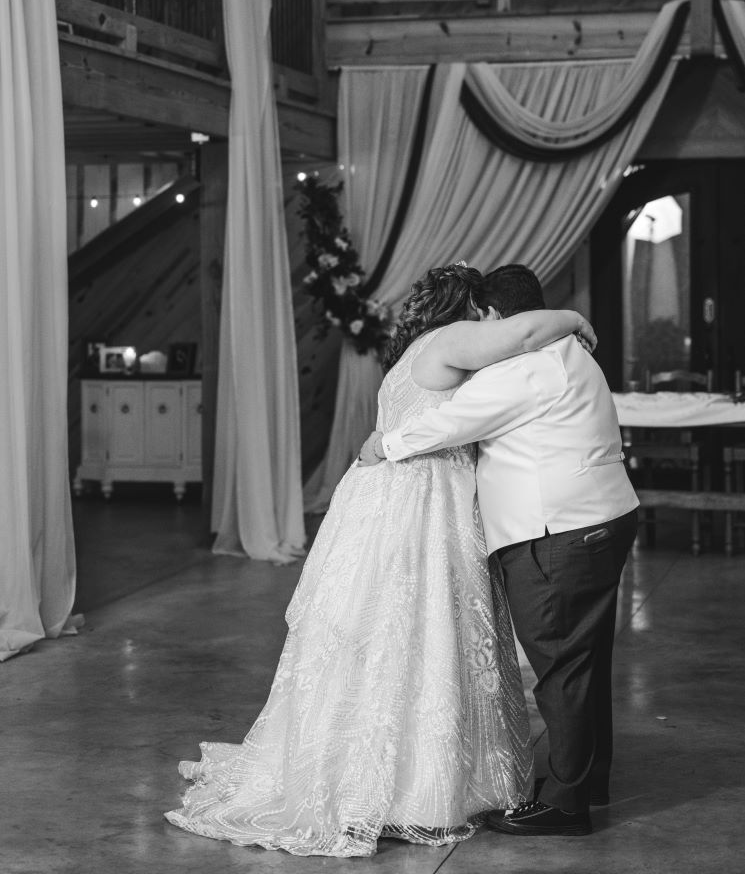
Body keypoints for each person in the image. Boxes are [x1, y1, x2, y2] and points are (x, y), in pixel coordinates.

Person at [165, 263, 597, 857]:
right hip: (422, 497)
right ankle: (412, 785)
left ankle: (369, 761)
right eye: (480, 309)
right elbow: (523, 336)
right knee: (421, 625)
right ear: (468, 307)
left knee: (382, 629)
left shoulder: (412, 353)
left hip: (381, 497)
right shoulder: (450, 340)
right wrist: (574, 317)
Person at [362, 264, 639, 839]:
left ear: (490, 316)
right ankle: (586, 778)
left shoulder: (525, 365)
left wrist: (384, 446)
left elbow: (456, 421)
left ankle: (566, 803)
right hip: (597, 516)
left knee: (561, 665)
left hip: (558, 530)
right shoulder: (565, 350)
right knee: (583, 663)